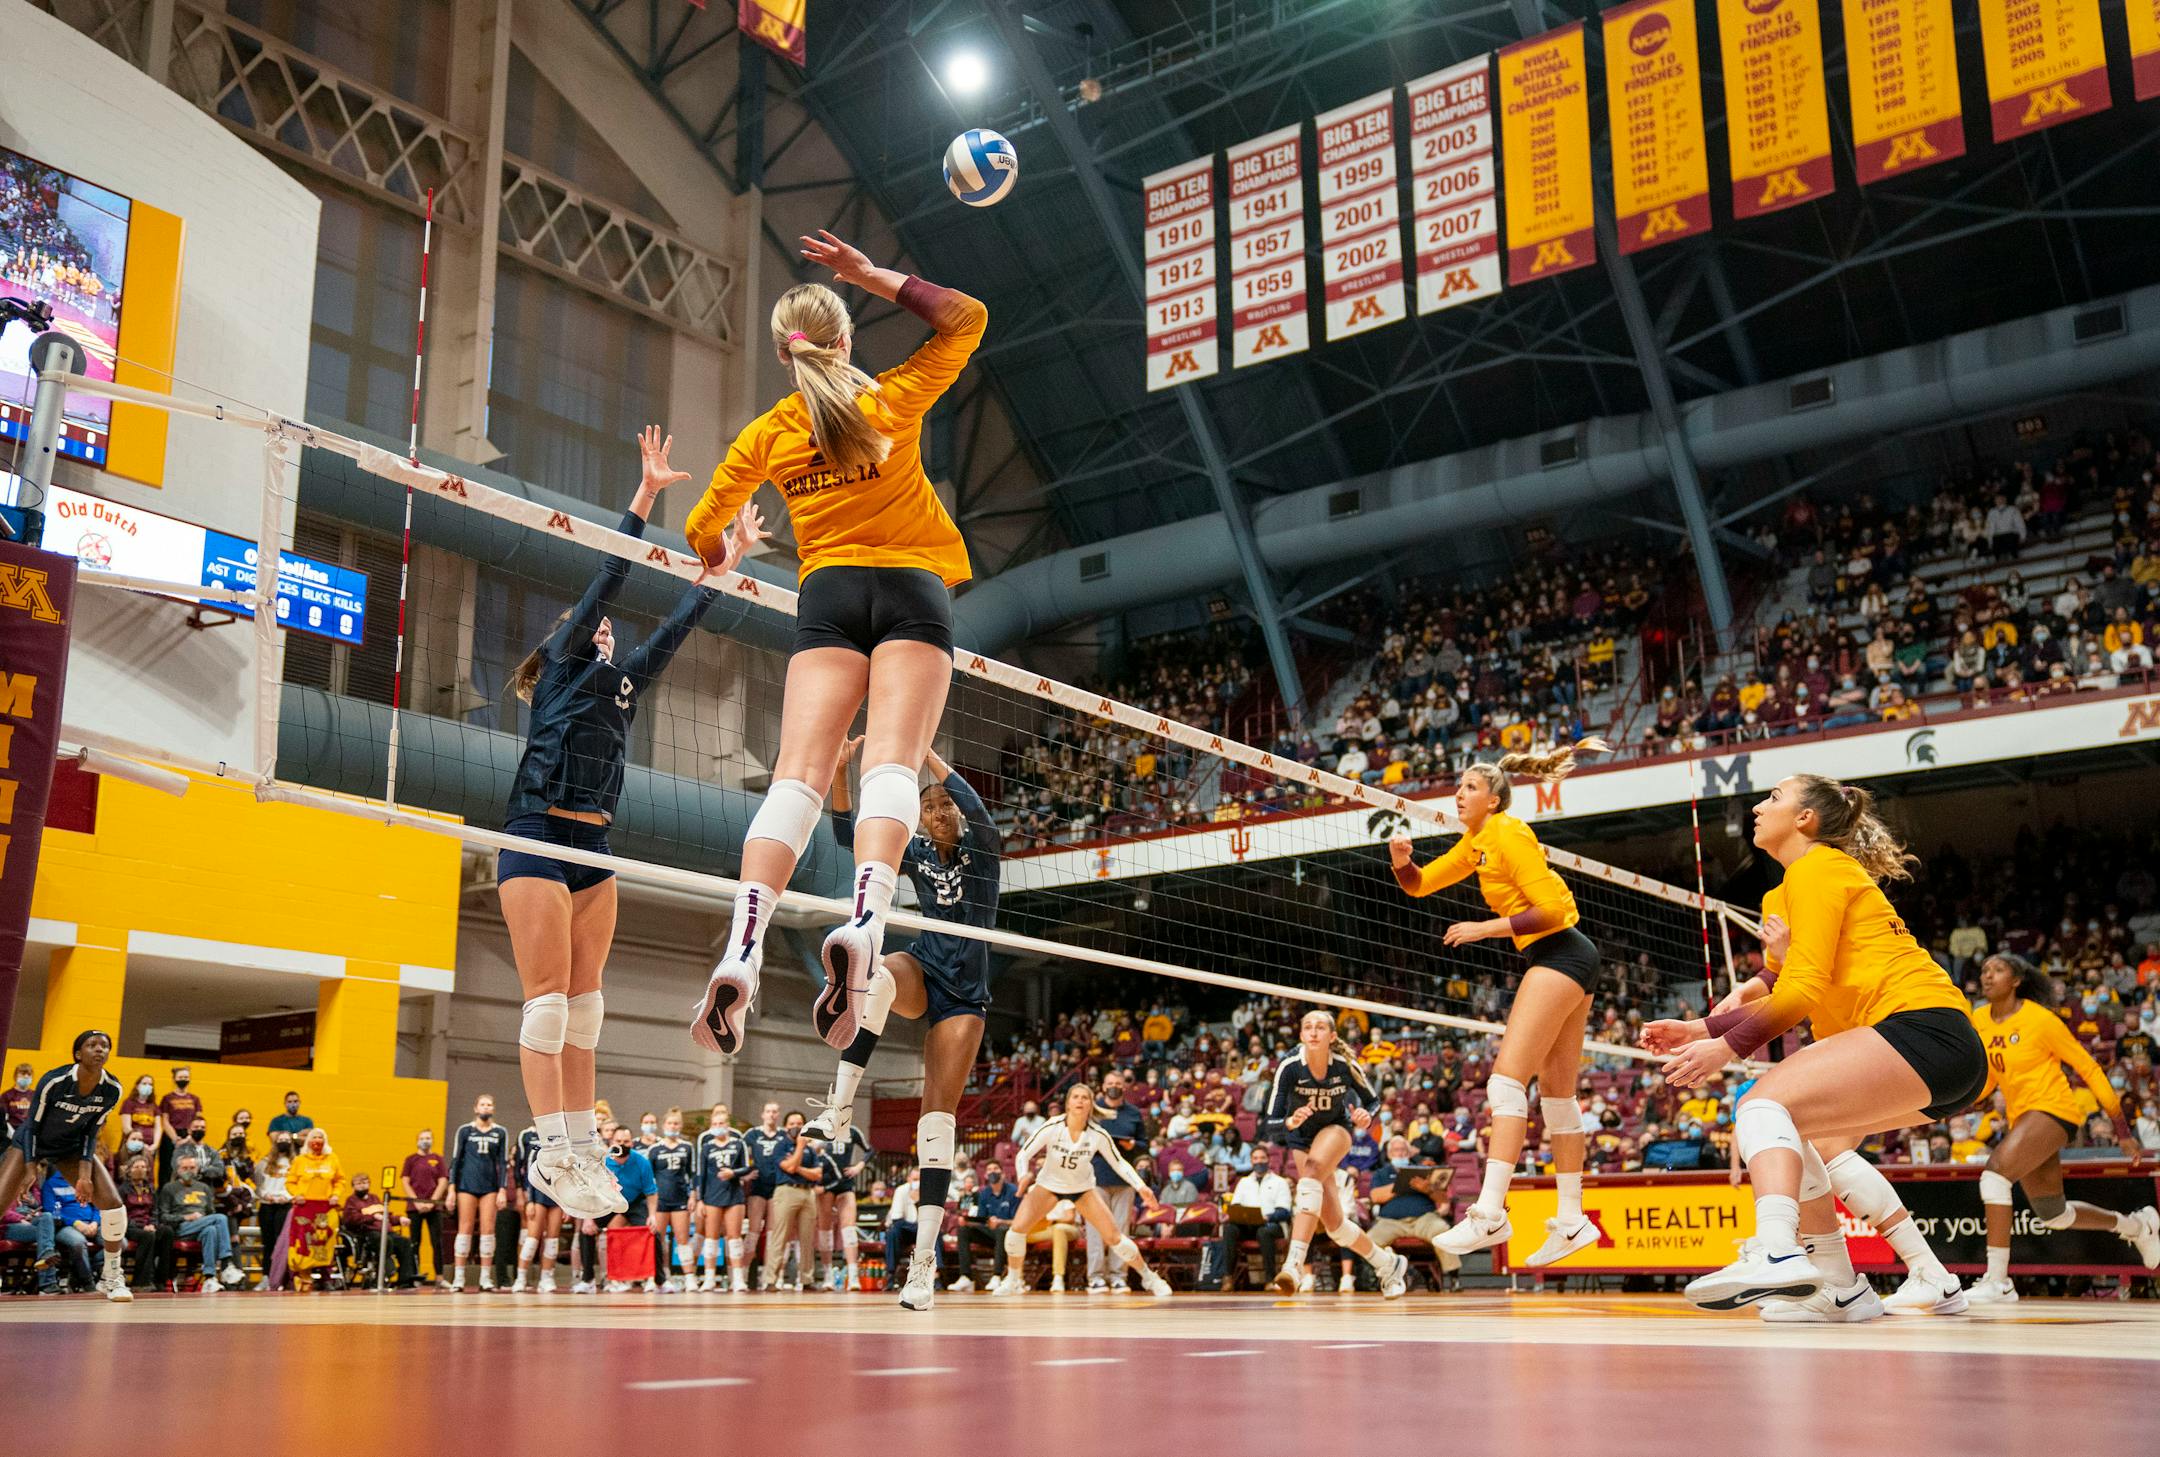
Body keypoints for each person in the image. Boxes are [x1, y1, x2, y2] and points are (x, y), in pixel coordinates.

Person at [687, 233, 989, 1068]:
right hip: (911, 590)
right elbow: (968, 321)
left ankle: (742, 948)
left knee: (799, 776)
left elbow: (701, 532)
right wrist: (872, 274)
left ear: (787, 358)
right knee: (890, 764)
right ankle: (864, 921)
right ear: (844, 341)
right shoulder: (890, 401)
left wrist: (724, 554)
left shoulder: (770, 434)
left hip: (826, 598)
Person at [502, 426, 763, 1222]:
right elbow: (610, 578)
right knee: (546, 1006)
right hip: (538, 833)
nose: (608, 635)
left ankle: (582, 1147)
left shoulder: (619, 684)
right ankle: (548, 1150)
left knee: (587, 1009)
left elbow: (675, 631)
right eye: (593, 629)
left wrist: (723, 569)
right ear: (569, 640)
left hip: (594, 843)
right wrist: (647, 495)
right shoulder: (561, 673)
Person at [1643, 775, 1989, 1313]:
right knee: (1804, 1139)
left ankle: (1779, 1252)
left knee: (1761, 1104)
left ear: (1805, 819)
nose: (1759, 807)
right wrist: (1702, 1030)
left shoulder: (1820, 867)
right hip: (1927, 1052)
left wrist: (1727, 1047)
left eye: (1774, 799)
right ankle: (1841, 1286)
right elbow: (1791, 978)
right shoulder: (1784, 889)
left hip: (1923, 1029)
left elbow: (1801, 989)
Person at [1391, 740, 1612, 1267]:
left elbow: (1554, 909)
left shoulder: (1508, 832)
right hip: (1569, 957)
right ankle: (1572, 1219)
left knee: (1505, 1082)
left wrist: (1483, 929)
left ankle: (1490, 1213)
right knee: (1558, 1098)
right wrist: (1402, 863)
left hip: (1561, 950)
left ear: (1494, 799)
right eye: (1459, 785)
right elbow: (1421, 885)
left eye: (1469, 786)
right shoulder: (1475, 842)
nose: (1458, 793)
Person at [801, 737, 1002, 1313]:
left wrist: (929, 755)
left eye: (945, 806)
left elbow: (982, 815)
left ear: (957, 813)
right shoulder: (914, 852)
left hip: (965, 996)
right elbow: (849, 836)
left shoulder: (982, 852)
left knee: (934, 1126)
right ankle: (838, 1112)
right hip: (926, 968)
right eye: (929, 807)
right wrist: (840, 772)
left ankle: (923, 1266)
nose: (939, 813)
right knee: (879, 975)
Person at [1963, 953, 2159, 1301]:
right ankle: (2138, 1225)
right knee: (2055, 1214)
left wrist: (2123, 1131)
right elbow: (1993, 1075)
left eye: (1998, 969)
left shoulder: (2042, 1020)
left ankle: (1998, 1281)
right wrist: (1964, 1099)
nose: (1988, 975)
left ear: (2017, 980)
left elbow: (2088, 1068)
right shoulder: (1980, 1019)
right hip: (2023, 1118)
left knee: (1994, 1176)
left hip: (2055, 1112)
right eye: (1985, 970)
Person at [1258, 1011, 1410, 1298]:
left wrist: (1367, 1116)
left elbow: (1373, 1101)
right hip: (1300, 1135)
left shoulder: (1344, 1065)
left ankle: (1293, 1265)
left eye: (1320, 1027)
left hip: (1335, 1128)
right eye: (1308, 1027)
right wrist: (1291, 1121)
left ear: (1332, 1036)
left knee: (1313, 1170)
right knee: (1335, 1227)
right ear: (1301, 1036)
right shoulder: (1289, 1066)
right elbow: (1271, 1123)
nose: (1313, 1032)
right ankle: (1388, 1263)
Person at [991, 1084, 1175, 1298]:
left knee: (1115, 1237)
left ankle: (1150, 1278)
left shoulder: (1098, 1134)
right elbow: (1023, 1154)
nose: (1080, 1101)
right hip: (1049, 1185)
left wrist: (1140, 1186)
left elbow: (1120, 1163)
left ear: (1091, 1104)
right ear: (1068, 1103)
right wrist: (1023, 1176)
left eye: (1085, 1098)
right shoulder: (1053, 1126)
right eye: (1075, 1097)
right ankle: (1013, 1280)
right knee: (1016, 1232)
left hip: (1082, 1189)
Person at [0, 1031, 131, 1301]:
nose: (99, 1050)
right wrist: (30, 1170)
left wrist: (85, 1175)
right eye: (92, 1045)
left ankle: (112, 1276)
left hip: (70, 1147)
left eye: (104, 1046)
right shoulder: (55, 1081)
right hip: (32, 1141)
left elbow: (91, 1132)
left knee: (113, 1203)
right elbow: (34, 1126)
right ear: (78, 1054)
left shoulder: (112, 1089)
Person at [1366, 1136, 1461, 1289]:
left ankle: (1454, 1278)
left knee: (1442, 1231)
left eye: (1404, 1150)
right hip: (1390, 1222)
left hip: (1423, 1219)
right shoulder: (1381, 1173)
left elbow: (1443, 1199)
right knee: (1370, 1240)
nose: (1401, 1153)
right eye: (1396, 1150)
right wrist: (1402, 1183)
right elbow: (1375, 1196)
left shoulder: (1424, 1171)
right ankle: (1381, 1277)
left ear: (1409, 1153)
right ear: (1389, 1154)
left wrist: (1428, 1189)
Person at [1084, 1071, 1149, 1292]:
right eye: (1110, 1083)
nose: (1114, 1086)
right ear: (1103, 1086)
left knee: (1120, 1230)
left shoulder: (1133, 1113)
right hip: (1095, 1178)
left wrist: (1134, 1146)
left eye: (1118, 1084)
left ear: (1125, 1087)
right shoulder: (1093, 1111)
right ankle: (1095, 1277)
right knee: (1095, 1230)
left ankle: (1119, 1275)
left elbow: (1144, 1143)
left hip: (1123, 1179)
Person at [152, 1151, 244, 1291]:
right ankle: (226, 1265)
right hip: (182, 1227)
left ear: (198, 1169)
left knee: (211, 1230)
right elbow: (163, 1217)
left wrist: (204, 1220)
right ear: (178, 1170)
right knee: (220, 1218)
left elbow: (210, 1213)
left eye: (192, 1168)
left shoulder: (204, 1188)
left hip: (202, 1227)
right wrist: (186, 1217)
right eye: (185, 1168)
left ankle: (209, 1278)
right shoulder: (169, 1188)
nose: (189, 1171)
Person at [448, 1094, 512, 1291]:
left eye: (489, 1104)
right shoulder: (465, 1131)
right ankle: (459, 1278)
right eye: (482, 1104)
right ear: (475, 1108)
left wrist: (502, 1189)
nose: (486, 1107)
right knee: (465, 1229)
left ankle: (485, 1278)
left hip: (490, 1187)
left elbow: (503, 1162)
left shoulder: (500, 1132)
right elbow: (456, 1160)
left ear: (493, 1109)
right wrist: (452, 1189)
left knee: (488, 1230)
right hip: (467, 1185)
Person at [1210, 1151, 1294, 1291]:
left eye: (1262, 1158)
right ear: (1251, 1161)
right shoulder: (1244, 1182)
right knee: (1230, 1229)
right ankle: (1228, 1277)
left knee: (1264, 1232)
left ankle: (1269, 1279)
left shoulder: (1280, 1182)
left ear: (1268, 1160)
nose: (1259, 1161)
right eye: (1255, 1158)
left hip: (1271, 1224)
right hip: (1247, 1224)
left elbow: (1284, 1211)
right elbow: (1236, 1205)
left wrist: (1267, 1217)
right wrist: (1235, 1214)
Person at [694, 1105, 750, 1292]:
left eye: (722, 1123)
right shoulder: (707, 1147)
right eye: (715, 1123)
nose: (719, 1126)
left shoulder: (737, 1143)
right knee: (711, 1237)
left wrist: (732, 1173)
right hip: (712, 1196)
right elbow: (700, 1174)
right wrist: (700, 1199)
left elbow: (746, 1167)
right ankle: (709, 1278)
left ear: (728, 1125)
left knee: (734, 1237)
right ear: (711, 1126)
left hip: (734, 1194)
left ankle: (738, 1278)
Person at [768, 1111, 824, 1293]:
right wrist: (799, 1147)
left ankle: (807, 1279)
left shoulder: (810, 1149)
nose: (796, 1127)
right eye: (792, 1123)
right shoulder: (780, 1146)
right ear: (786, 1127)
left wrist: (798, 1167)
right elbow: (788, 1167)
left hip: (807, 1193)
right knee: (780, 1236)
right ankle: (771, 1280)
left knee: (807, 1239)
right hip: (786, 1191)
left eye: (799, 1123)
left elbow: (817, 1174)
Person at [817, 1118, 874, 1291]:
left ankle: (853, 1276)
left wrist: (859, 1166)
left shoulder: (853, 1130)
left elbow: (870, 1150)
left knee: (849, 1228)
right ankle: (828, 1275)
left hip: (845, 1182)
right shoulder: (822, 1129)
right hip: (825, 1184)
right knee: (825, 1229)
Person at [602, 1129, 659, 1293]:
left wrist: (652, 1216)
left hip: (634, 1203)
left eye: (626, 1141)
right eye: (618, 1141)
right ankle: (608, 1278)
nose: (622, 1144)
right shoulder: (604, 1161)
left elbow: (651, 1191)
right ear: (612, 1142)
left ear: (632, 1143)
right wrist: (588, 1218)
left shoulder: (642, 1162)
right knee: (599, 1232)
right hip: (611, 1203)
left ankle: (654, 1278)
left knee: (652, 1232)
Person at [647, 1109, 698, 1291]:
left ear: (681, 1126)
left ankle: (690, 1278)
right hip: (660, 1201)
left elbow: (692, 1174)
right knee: (657, 1240)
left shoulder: (687, 1147)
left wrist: (693, 1195)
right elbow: (649, 1178)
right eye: (670, 1123)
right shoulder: (654, 1149)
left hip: (680, 1200)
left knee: (682, 1239)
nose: (673, 1126)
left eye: (676, 1123)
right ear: (663, 1126)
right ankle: (657, 1276)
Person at [512, 1123, 565, 1294]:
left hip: (556, 1195)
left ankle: (547, 1277)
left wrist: (566, 1203)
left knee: (553, 1239)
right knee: (532, 1238)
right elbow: (529, 1172)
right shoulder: (533, 1145)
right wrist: (530, 1200)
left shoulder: (563, 1141)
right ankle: (521, 1277)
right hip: (538, 1194)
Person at [343, 1172, 420, 1289]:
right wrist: (372, 1217)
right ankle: (387, 1269)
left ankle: (405, 1279)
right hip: (368, 1232)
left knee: (405, 1242)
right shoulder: (351, 1201)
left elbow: (387, 1216)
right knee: (384, 1240)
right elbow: (350, 1220)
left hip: (385, 1230)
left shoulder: (375, 1198)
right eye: (358, 1183)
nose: (362, 1186)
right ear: (353, 1186)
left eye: (364, 1183)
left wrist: (399, 1219)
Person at [741, 1102, 789, 1288]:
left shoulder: (784, 1134)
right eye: (768, 1111)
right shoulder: (752, 1134)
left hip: (777, 1186)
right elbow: (740, 1153)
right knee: (753, 1232)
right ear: (763, 1114)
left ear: (778, 1115)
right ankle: (742, 1275)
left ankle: (773, 1276)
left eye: (775, 1112)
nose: (771, 1115)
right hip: (758, 1186)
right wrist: (744, 1174)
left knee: (773, 1234)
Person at [953, 1160, 1019, 1289]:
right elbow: (982, 1219)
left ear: (1003, 1173)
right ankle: (966, 1276)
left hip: (1008, 1233)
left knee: (1002, 1229)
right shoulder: (984, 1194)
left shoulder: (1013, 1191)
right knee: (963, 1229)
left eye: (995, 1168)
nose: (992, 1172)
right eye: (989, 1170)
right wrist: (969, 1222)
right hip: (989, 1233)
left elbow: (1018, 1221)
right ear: (985, 1175)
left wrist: (1000, 1221)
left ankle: (997, 1275)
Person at [398, 1129, 449, 1284]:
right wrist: (416, 1201)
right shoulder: (410, 1159)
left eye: (428, 1138)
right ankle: (415, 1275)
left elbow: (443, 1181)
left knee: (437, 1242)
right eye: (422, 1138)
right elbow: (405, 1181)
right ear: (417, 1141)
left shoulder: (438, 1159)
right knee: (414, 1242)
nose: (425, 1140)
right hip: (415, 1208)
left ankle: (440, 1277)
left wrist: (432, 1202)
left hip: (434, 1208)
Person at [156, 1067, 202, 1186]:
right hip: (171, 1137)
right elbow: (165, 1121)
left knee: (187, 1166)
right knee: (167, 1168)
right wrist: (175, 1139)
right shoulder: (167, 1098)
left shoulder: (195, 1099)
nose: (183, 1079)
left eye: (186, 1077)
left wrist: (188, 1137)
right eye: (181, 1077)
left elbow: (198, 1121)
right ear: (174, 1079)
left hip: (189, 1136)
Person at [2, 1061, 33, 1132]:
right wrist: (9, 1131)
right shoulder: (7, 1095)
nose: (26, 1076)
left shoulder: (34, 1095)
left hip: (28, 1131)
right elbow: (3, 1117)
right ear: (15, 1076)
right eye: (23, 1074)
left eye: (29, 1074)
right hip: (11, 1130)